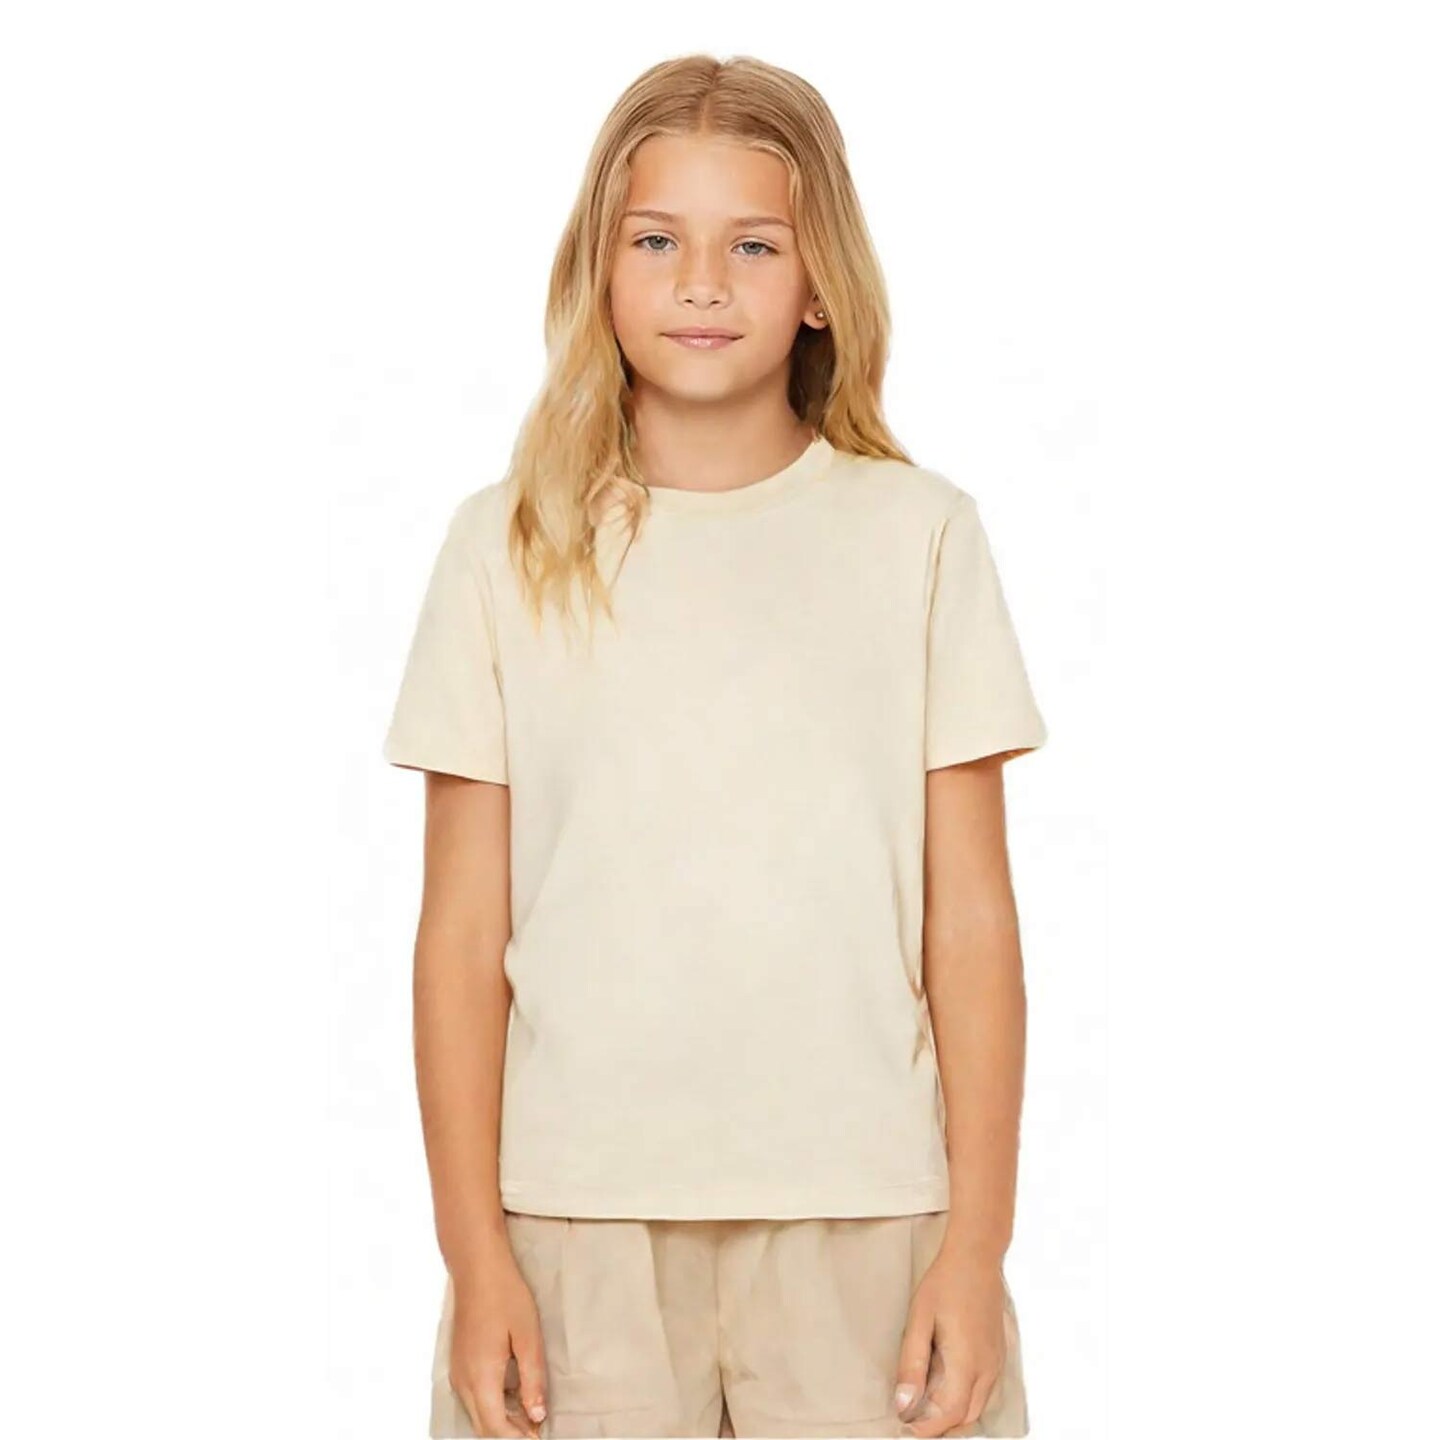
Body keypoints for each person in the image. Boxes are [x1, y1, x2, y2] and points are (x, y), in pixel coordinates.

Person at [382, 52, 1048, 1440]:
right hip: (574, 1225)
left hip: (870, 1216)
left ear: (819, 285)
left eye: (752, 244)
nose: (701, 283)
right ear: (600, 268)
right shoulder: (504, 547)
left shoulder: (921, 537)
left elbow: (972, 922)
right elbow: (461, 935)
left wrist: (975, 1250)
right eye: (656, 241)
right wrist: (473, 1253)